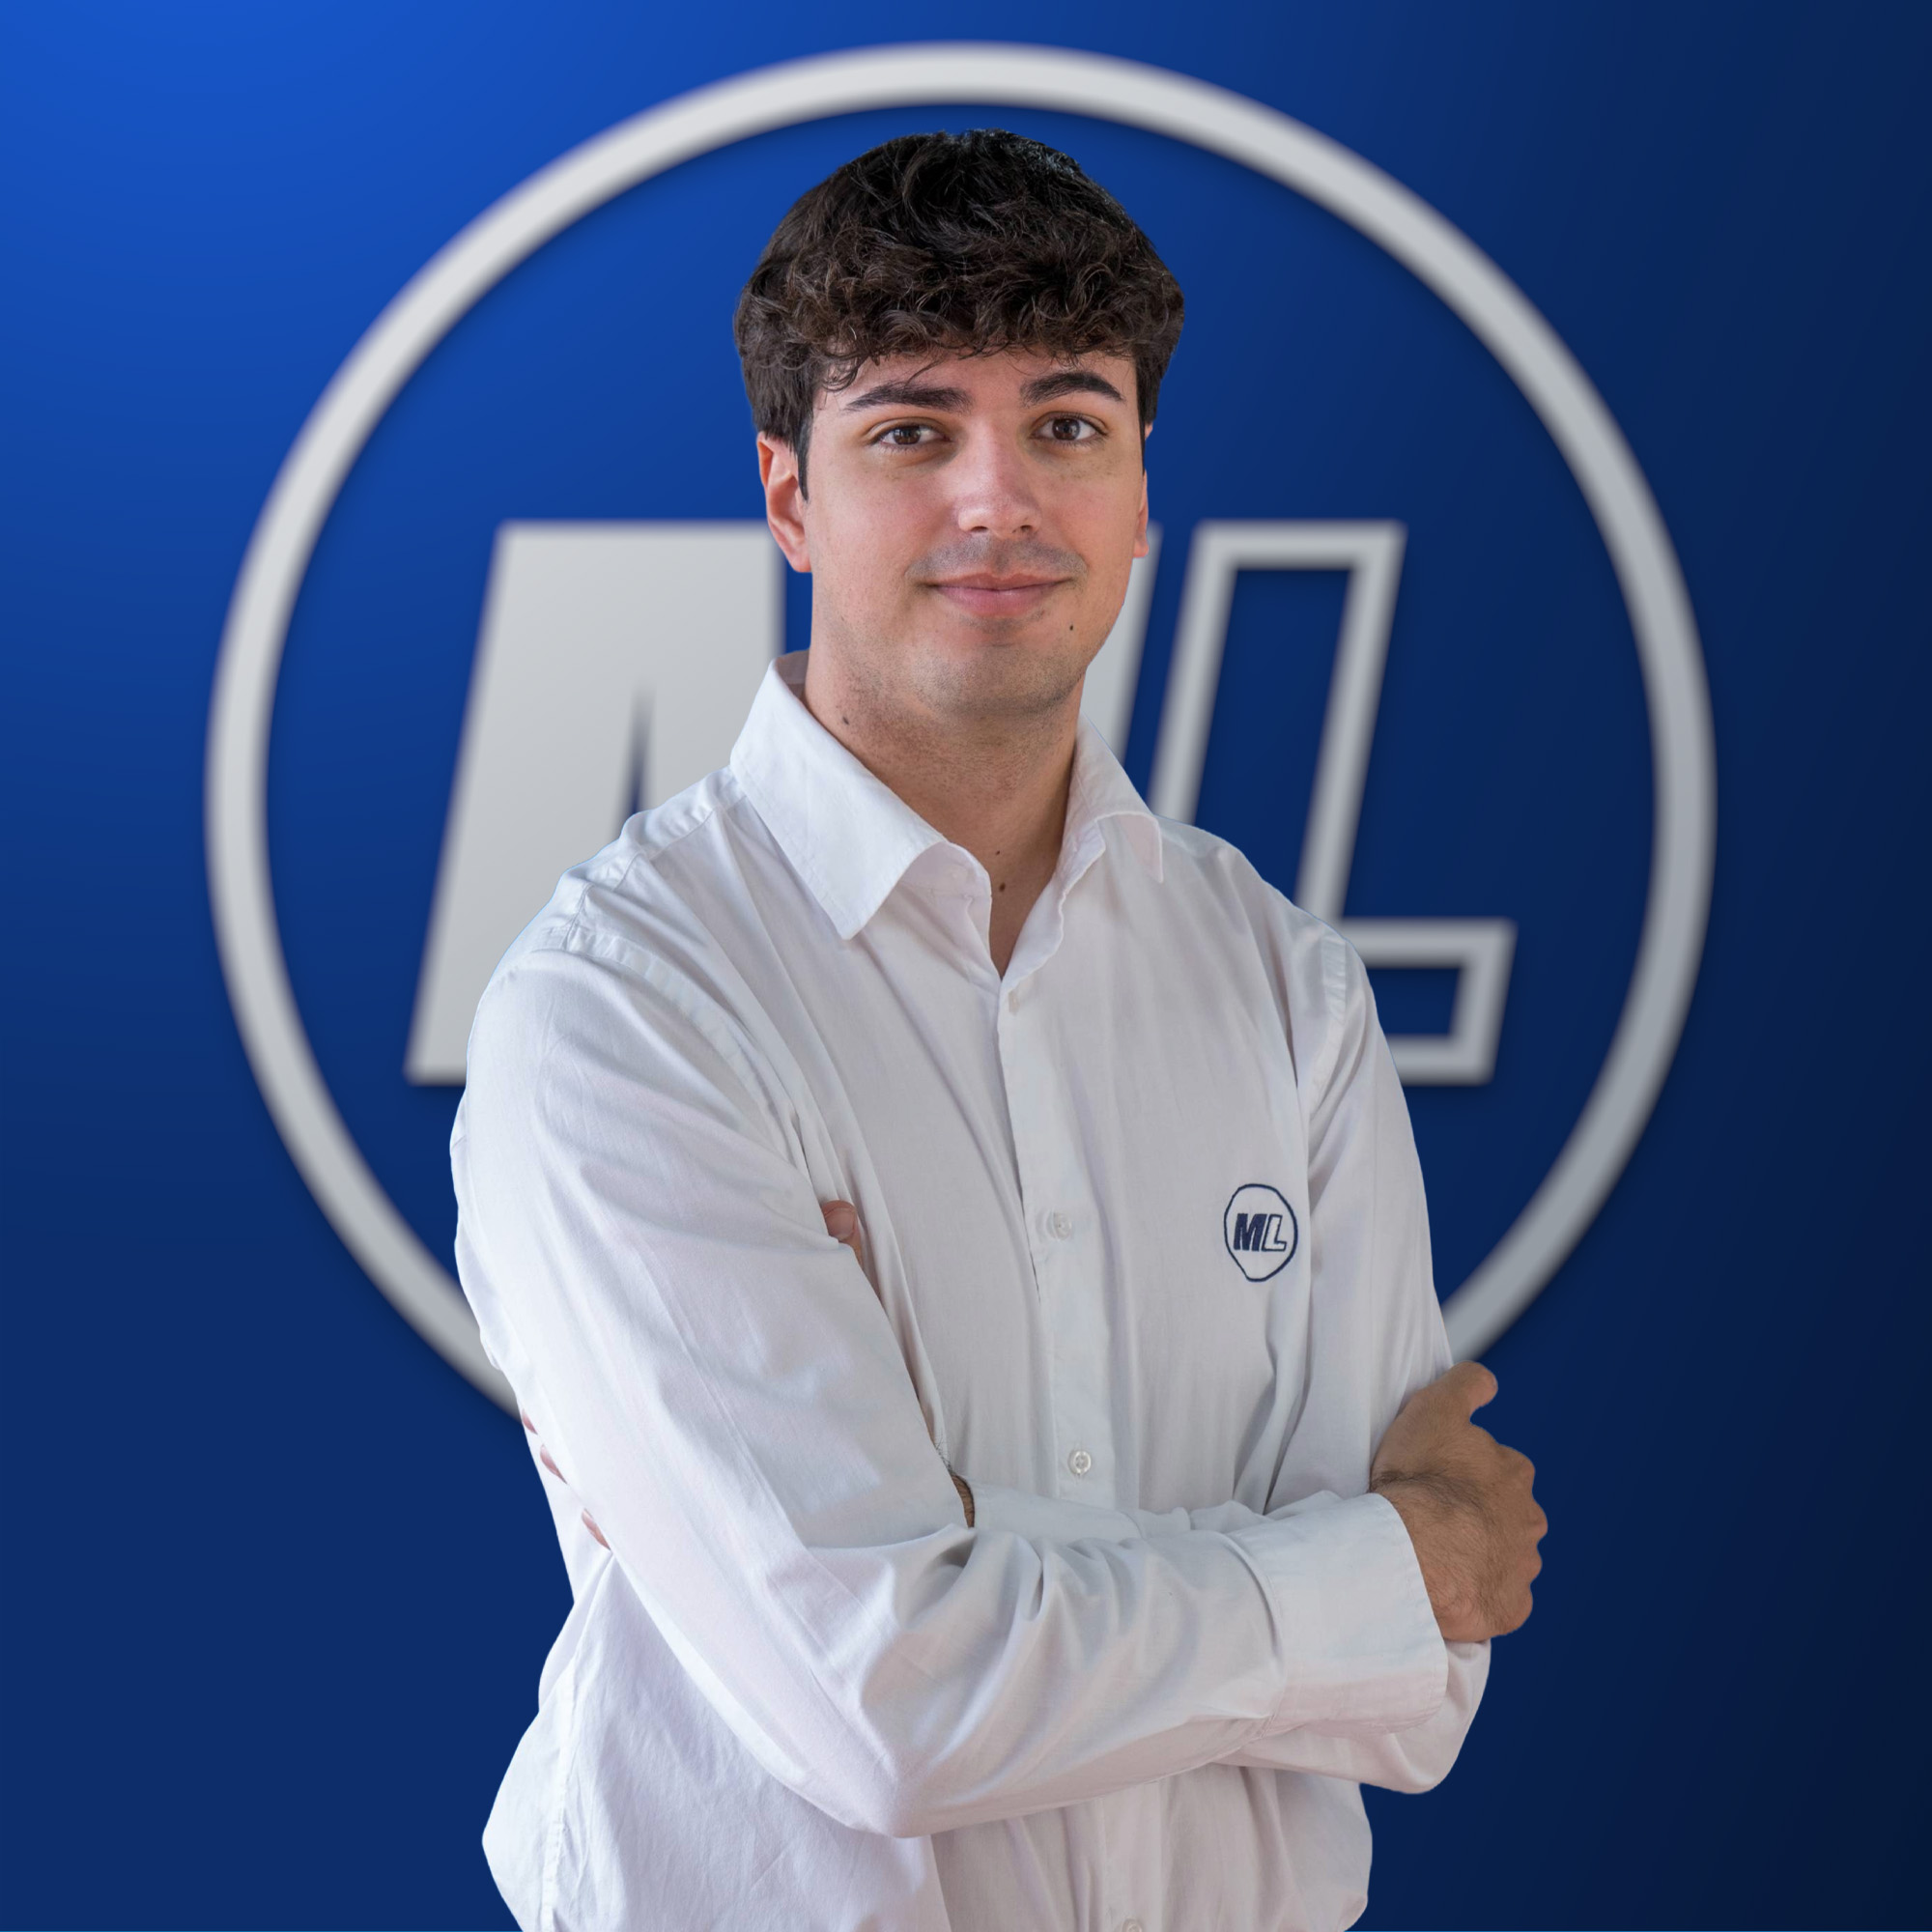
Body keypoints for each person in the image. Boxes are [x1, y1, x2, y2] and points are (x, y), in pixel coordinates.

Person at [454, 127, 1546, 1932]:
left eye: (1067, 424)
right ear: (790, 501)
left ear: (1141, 491)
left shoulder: (1285, 987)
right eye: (911, 432)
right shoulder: (625, 1008)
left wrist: (986, 1551)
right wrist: (1357, 1573)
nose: (1000, 500)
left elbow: (1425, 1684)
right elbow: (885, 1704)